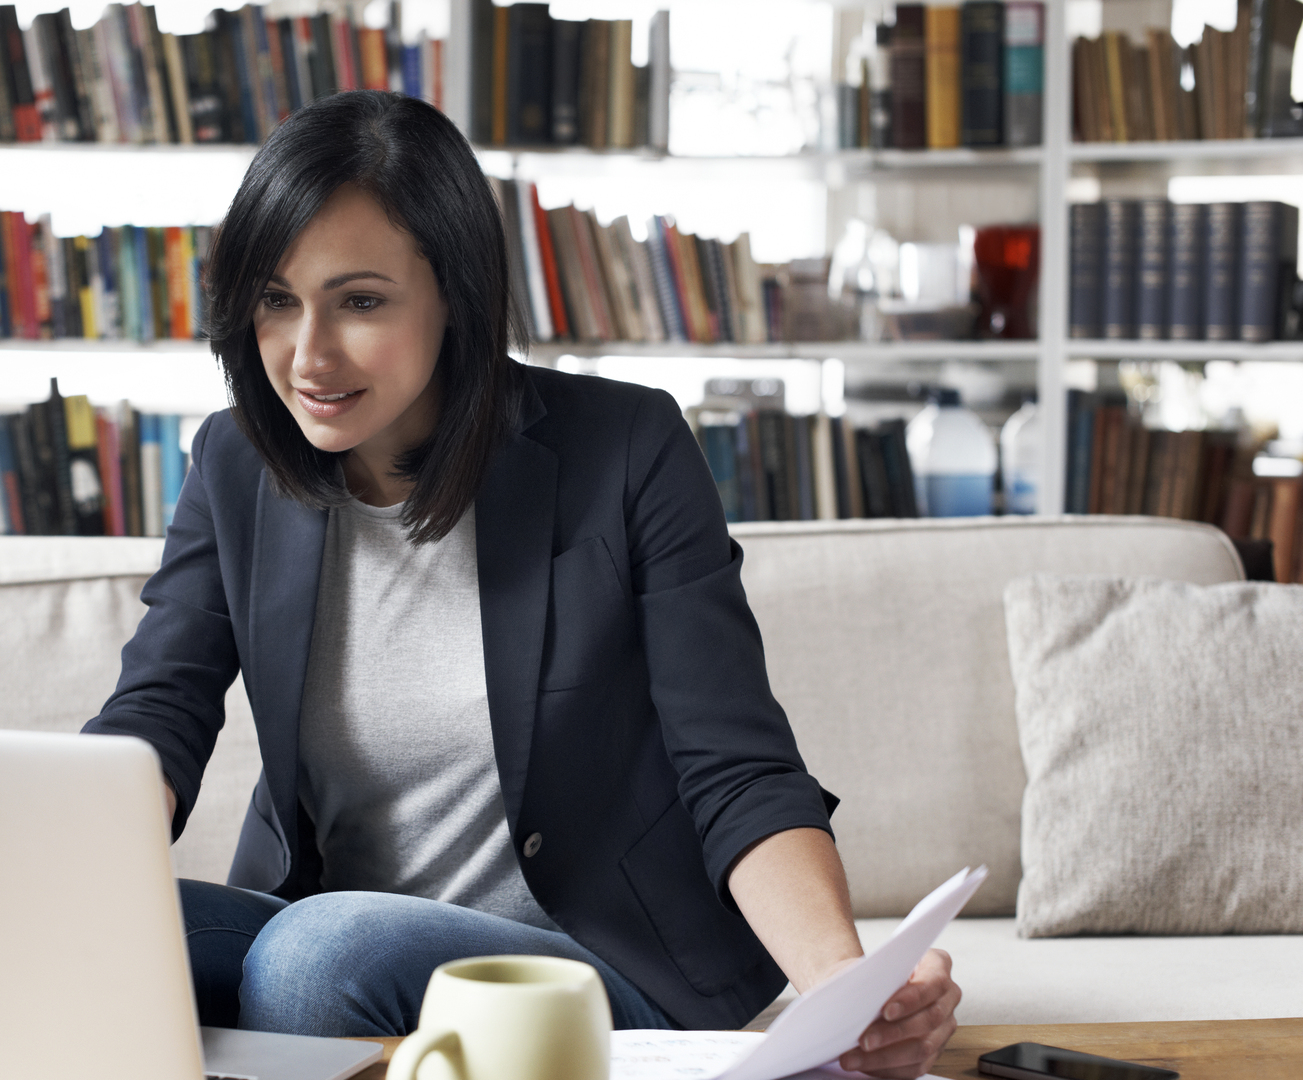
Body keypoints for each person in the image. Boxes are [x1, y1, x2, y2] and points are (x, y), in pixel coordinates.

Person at [83, 90, 960, 1080]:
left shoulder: (625, 449)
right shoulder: (235, 460)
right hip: (329, 925)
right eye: (277, 300)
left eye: (359, 301)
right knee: (68, 943)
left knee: (311, 961)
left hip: (585, 959)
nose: (307, 354)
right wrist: (51, 873)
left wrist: (846, 991)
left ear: (453, 293)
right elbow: (160, 708)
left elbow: (735, 768)